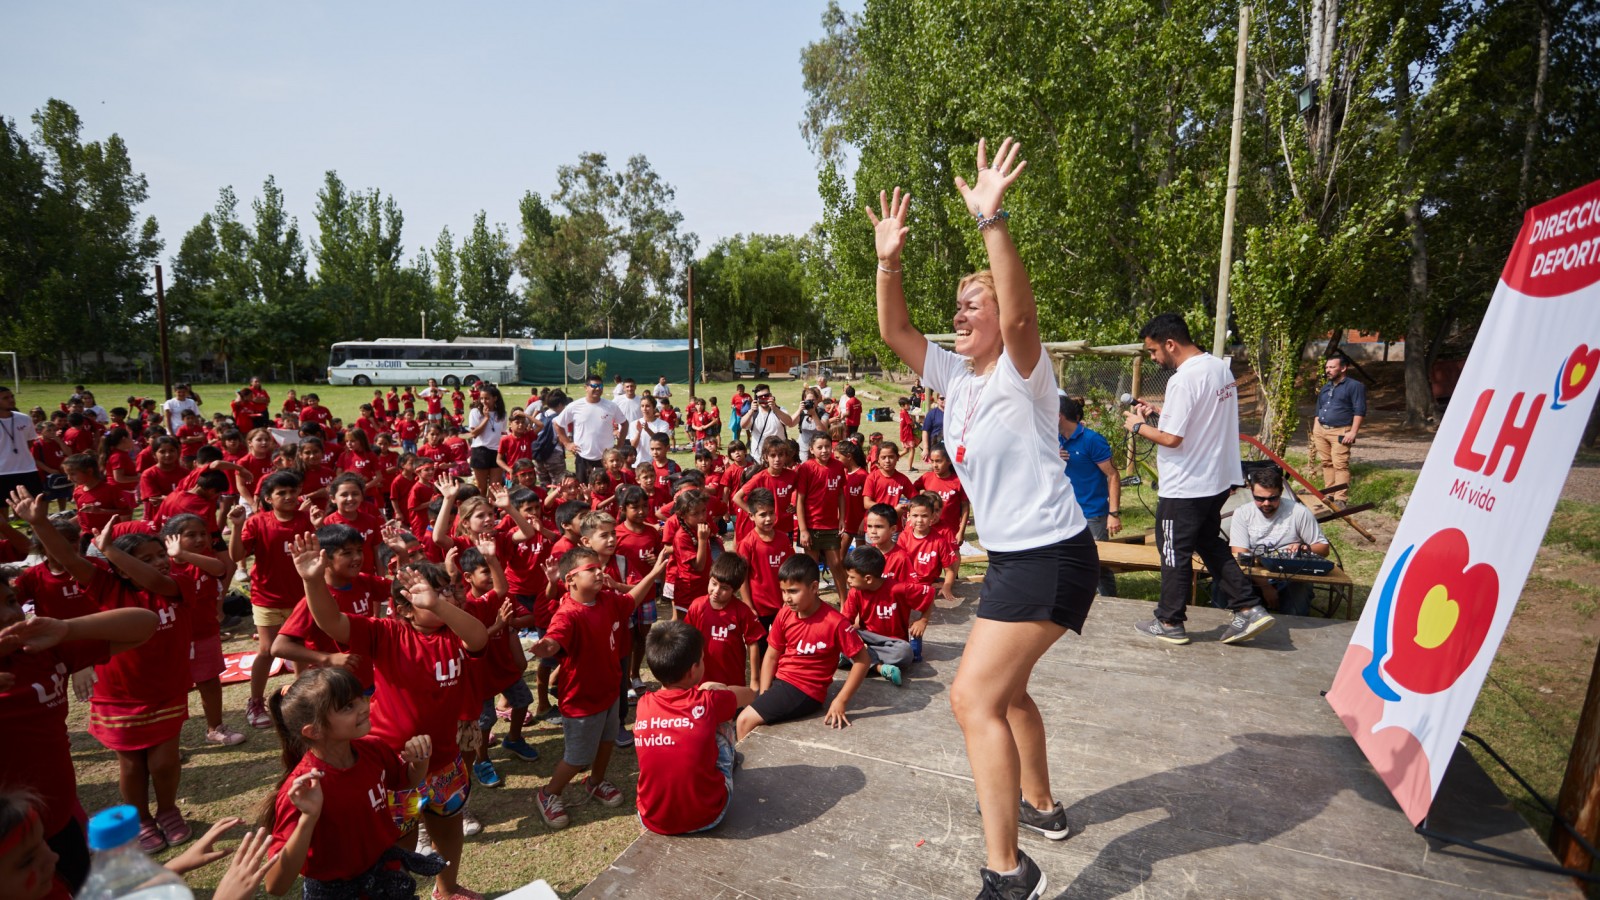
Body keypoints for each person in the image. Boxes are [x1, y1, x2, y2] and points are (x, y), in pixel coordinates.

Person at [870, 138, 1100, 898]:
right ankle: (1041, 806)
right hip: (1015, 560)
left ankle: (1010, 874)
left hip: (1051, 556)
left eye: (976, 304)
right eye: (959, 305)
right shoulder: (958, 377)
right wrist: (888, 263)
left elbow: (1024, 312)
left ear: (1003, 319)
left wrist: (991, 219)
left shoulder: (1023, 373)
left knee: (972, 699)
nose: (960, 313)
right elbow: (896, 333)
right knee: (1007, 695)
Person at [297, 544, 489, 900]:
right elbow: (331, 621)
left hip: (444, 761)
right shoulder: (385, 633)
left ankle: (447, 889)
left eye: (445, 591)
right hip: (395, 767)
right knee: (399, 839)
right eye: (428, 594)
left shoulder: (455, 631)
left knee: (448, 828)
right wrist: (312, 581)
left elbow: (479, 637)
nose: (442, 598)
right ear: (403, 609)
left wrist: (437, 605)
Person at [1123, 312, 1274, 646]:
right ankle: (1249, 608)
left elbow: (1172, 439)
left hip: (1186, 484)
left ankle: (1169, 620)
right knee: (1207, 542)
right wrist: (1159, 414)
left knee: (1173, 550)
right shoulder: (1219, 368)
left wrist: (1137, 425)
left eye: (1153, 351)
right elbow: (1199, 419)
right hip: (1216, 479)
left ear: (1170, 343)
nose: (1153, 358)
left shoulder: (1183, 379)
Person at [264, 666, 441, 898]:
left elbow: (405, 780)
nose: (364, 707)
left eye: (360, 698)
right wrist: (308, 818)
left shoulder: (372, 749)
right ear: (314, 731)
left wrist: (419, 762)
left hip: (385, 874)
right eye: (348, 706)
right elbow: (275, 886)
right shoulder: (303, 790)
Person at [526, 546, 671, 829]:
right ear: (570, 580)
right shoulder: (568, 613)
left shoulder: (606, 599)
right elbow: (555, 637)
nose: (599, 572)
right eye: (590, 569)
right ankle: (549, 793)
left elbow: (631, 598)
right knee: (577, 758)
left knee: (606, 743)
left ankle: (595, 781)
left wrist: (654, 573)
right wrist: (548, 646)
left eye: (598, 567)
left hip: (609, 692)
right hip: (582, 700)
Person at [633, 620, 755, 835]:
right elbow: (748, 695)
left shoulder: (643, 704)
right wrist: (716, 688)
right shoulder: (708, 702)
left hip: (652, 818)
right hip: (708, 816)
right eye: (702, 659)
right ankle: (728, 763)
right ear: (693, 670)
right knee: (723, 720)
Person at [735, 556, 870, 740]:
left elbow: (863, 660)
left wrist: (841, 700)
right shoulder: (785, 613)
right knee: (731, 702)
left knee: (744, 720)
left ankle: (740, 760)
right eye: (783, 591)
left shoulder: (835, 622)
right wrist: (764, 693)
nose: (786, 598)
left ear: (814, 588)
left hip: (805, 690)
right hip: (781, 682)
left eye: (793, 591)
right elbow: (771, 656)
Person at [230, 470, 316, 729]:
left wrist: (319, 526)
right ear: (268, 498)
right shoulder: (257, 522)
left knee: (299, 648)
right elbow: (237, 555)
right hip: (266, 598)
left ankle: (300, 699)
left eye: (293, 491)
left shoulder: (306, 519)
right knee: (267, 651)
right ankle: (256, 701)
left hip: (301, 598)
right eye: (281, 493)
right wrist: (236, 526)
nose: (289, 496)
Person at [1228, 467, 1331, 617]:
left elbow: (1324, 549)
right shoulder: (1243, 513)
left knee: (1298, 589)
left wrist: (1304, 548)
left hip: (1290, 574)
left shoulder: (1299, 512)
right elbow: (1240, 555)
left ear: (1281, 492)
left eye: (1272, 498)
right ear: (1252, 492)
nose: (1266, 503)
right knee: (1225, 582)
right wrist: (1265, 587)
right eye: (1259, 498)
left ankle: (1294, 623)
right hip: (1255, 574)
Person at [1057, 396, 1121, 597]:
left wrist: (1113, 513)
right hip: (1065, 514)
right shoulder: (1054, 441)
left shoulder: (1092, 440)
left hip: (1092, 515)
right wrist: (1052, 457)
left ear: (1058, 416)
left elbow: (1113, 475)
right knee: (1068, 562)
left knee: (1098, 565)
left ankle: (1109, 604)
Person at [1311, 353, 1366, 506]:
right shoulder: (1326, 387)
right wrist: (1316, 429)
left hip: (1341, 431)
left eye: (1332, 367)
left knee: (1340, 465)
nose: (1328, 370)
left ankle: (1340, 499)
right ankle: (1329, 494)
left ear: (1343, 368)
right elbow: (1319, 409)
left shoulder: (1355, 386)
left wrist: (1353, 432)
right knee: (1326, 463)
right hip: (1321, 430)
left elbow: (1359, 410)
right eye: (1326, 367)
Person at [555, 375, 625, 485]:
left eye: (600, 386)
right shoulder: (575, 406)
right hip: (583, 457)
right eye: (594, 386)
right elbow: (557, 424)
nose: (597, 389)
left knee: (606, 488)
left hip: (606, 459)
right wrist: (567, 443)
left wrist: (619, 445)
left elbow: (624, 423)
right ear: (586, 388)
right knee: (583, 488)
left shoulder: (611, 406)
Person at [465, 382, 509, 496]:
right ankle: (482, 505)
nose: (484, 401)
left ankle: (492, 507)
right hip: (481, 451)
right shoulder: (475, 412)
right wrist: (486, 418)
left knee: (495, 487)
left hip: (497, 452)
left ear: (495, 398)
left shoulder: (502, 414)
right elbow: (474, 434)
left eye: (487, 398)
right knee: (482, 488)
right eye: (482, 398)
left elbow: (502, 432)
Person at [740, 385, 794, 450]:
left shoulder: (780, 410)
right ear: (756, 398)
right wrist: (751, 411)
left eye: (766, 396)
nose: (763, 398)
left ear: (770, 396)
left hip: (779, 453)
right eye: (760, 397)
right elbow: (743, 425)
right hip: (758, 454)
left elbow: (789, 422)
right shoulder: (753, 413)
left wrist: (775, 408)